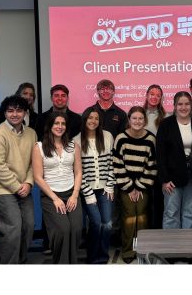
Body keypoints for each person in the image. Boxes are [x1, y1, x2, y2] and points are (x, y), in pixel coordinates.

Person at [0, 95, 37, 264]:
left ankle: (19, 262)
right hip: (1, 189)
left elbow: (33, 162)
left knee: (29, 226)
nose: (14, 114)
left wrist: (29, 183)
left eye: (19, 110)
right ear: (5, 113)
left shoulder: (31, 133)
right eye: (10, 111)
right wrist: (17, 187)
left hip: (23, 187)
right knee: (13, 227)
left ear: (25, 112)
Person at [32, 112, 83, 264]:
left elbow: (79, 172)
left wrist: (74, 195)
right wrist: (55, 198)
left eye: (63, 124)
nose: (59, 127)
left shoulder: (74, 146)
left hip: (71, 192)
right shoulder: (39, 147)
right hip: (51, 196)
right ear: (50, 126)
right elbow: (37, 177)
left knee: (76, 229)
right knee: (62, 230)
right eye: (56, 123)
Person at [113, 106, 157, 263]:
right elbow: (117, 164)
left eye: (140, 118)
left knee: (143, 216)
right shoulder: (120, 138)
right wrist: (130, 187)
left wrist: (138, 186)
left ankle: (143, 250)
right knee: (129, 216)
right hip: (126, 185)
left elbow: (152, 165)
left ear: (144, 120)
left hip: (143, 185)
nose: (137, 121)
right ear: (129, 120)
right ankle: (128, 250)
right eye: (134, 118)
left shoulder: (151, 139)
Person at [157, 91, 192, 229]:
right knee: (171, 213)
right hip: (171, 178)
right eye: (180, 104)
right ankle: (171, 249)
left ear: (191, 105)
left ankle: (188, 248)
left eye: (186, 104)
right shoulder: (166, 124)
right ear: (174, 106)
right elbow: (160, 154)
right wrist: (165, 180)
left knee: (190, 213)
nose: (183, 107)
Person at [73, 108, 115, 264]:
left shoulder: (107, 136)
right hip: (87, 190)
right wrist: (87, 193)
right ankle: (92, 257)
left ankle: (102, 256)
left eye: (96, 118)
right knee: (96, 223)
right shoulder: (76, 140)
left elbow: (112, 162)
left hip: (105, 189)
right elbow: (77, 170)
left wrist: (110, 185)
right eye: (90, 118)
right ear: (84, 119)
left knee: (108, 224)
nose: (93, 121)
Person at [142, 84, 167, 229]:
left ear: (161, 98)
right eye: (152, 94)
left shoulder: (166, 116)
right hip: (141, 165)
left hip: (158, 165)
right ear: (146, 95)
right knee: (143, 203)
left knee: (158, 202)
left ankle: (157, 232)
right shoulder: (138, 114)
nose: (154, 97)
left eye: (158, 95)